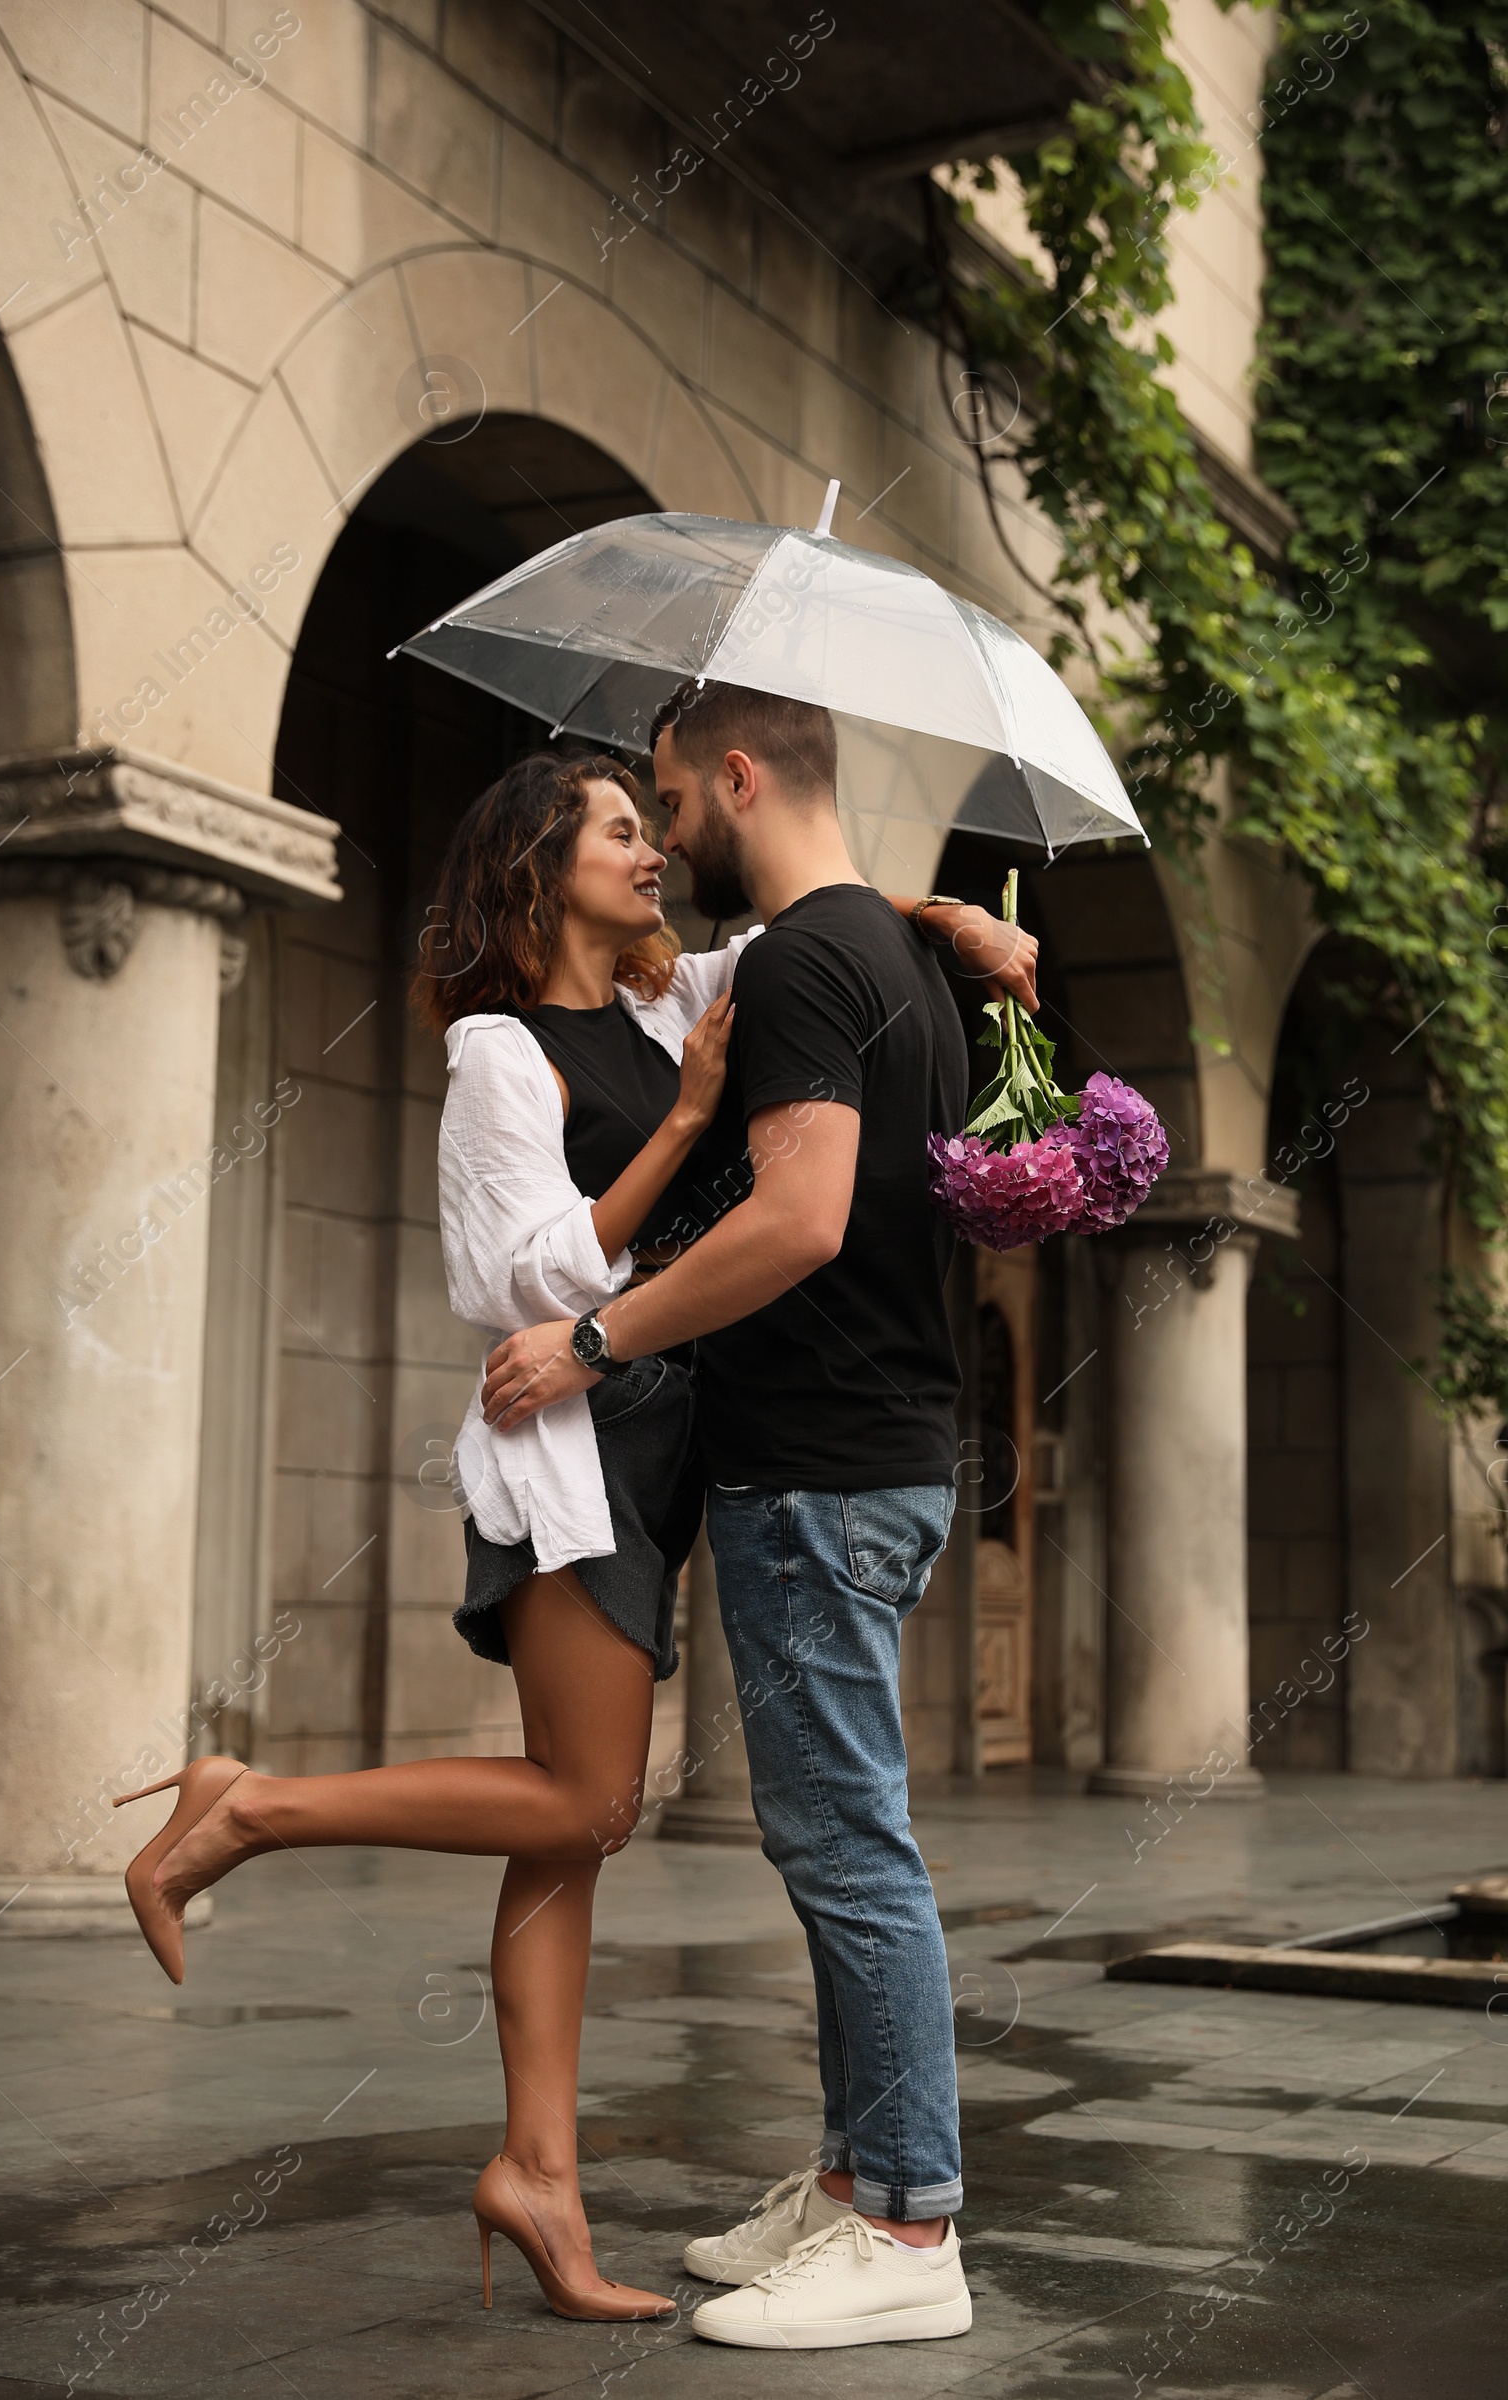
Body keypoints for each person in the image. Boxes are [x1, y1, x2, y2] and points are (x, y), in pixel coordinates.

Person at [111, 743, 1023, 2331]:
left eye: (656, 819)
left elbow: (820, 917)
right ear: (540, 868)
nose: (655, 851)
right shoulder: (498, 1057)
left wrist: (955, 923)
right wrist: (677, 1132)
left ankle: (539, 2170)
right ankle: (250, 1806)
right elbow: (513, 1280)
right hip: (570, 1449)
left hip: (665, 1454)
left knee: (559, 1831)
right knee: (587, 1805)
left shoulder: (678, 1000)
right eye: (621, 830)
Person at [480, 682, 1039, 2352]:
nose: (661, 836)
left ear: (736, 776)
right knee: (835, 1841)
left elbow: (793, 1219)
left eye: (666, 796)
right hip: (870, 1458)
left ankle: (912, 2227)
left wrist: (591, 1336)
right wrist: (955, 920)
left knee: (847, 1845)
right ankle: (860, 2179)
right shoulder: (898, 964)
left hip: (819, 1469)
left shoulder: (804, 960)